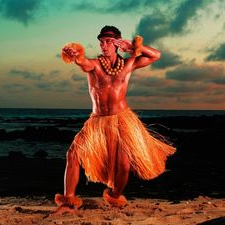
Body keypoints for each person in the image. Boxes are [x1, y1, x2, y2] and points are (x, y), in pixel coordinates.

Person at [54, 25, 176, 213]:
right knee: (73, 154)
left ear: (117, 43)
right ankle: (68, 202)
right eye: (101, 42)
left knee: (124, 165)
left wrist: (135, 48)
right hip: (97, 122)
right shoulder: (94, 65)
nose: (104, 45)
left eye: (108, 42)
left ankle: (114, 196)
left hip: (122, 121)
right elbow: (82, 62)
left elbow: (156, 55)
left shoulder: (128, 64)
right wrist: (75, 54)